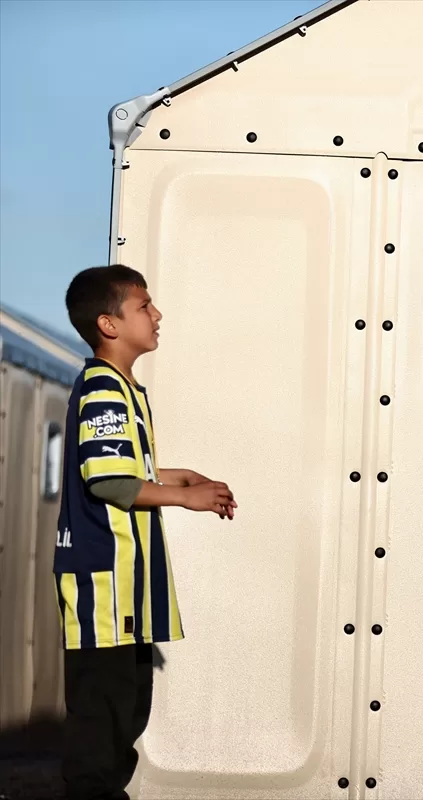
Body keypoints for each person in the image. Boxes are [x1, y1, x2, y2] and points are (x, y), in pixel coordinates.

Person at [55, 264, 237, 800]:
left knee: (125, 719)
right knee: (101, 731)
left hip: (128, 597)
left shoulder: (125, 388)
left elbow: (123, 469)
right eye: (144, 306)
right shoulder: (103, 388)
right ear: (108, 324)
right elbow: (108, 481)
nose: (157, 314)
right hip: (105, 594)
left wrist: (175, 477)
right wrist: (184, 498)